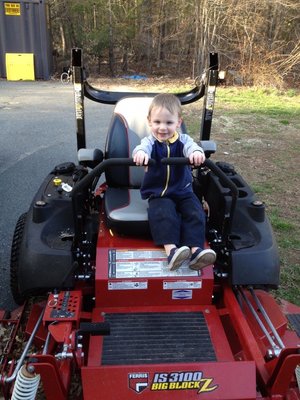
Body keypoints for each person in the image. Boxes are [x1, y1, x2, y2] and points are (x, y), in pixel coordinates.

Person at [133, 93, 216, 271]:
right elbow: (141, 149)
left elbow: (192, 147)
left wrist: (196, 153)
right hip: (159, 193)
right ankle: (172, 251)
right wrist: (140, 155)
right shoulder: (149, 143)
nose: (162, 128)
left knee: (195, 212)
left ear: (178, 122)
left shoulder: (184, 140)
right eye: (157, 122)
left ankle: (196, 251)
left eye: (169, 123)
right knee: (164, 213)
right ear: (149, 122)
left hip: (183, 191)